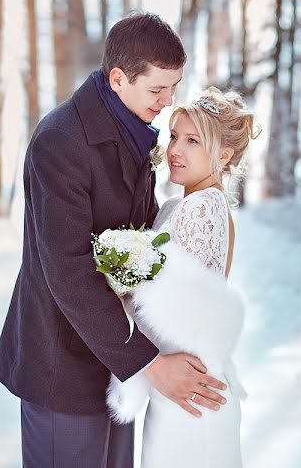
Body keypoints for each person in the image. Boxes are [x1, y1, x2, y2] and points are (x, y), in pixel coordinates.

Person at [0, 13, 228, 468]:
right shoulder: (60, 143)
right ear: (118, 78)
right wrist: (149, 364)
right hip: (64, 365)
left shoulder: (133, 127)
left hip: (116, 364)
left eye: (174, 87)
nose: (167, 101)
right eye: (157, 89)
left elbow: (139, 246)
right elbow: (70, 271)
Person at [107, 87, 260, 467]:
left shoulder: (200, 207)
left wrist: (115, 284)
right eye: (174, 136)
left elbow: (168, 309)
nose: (176, 149)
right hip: (186, 382)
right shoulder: (184, 204)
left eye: (193, 141)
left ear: (223, 155)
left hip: (189, 388)